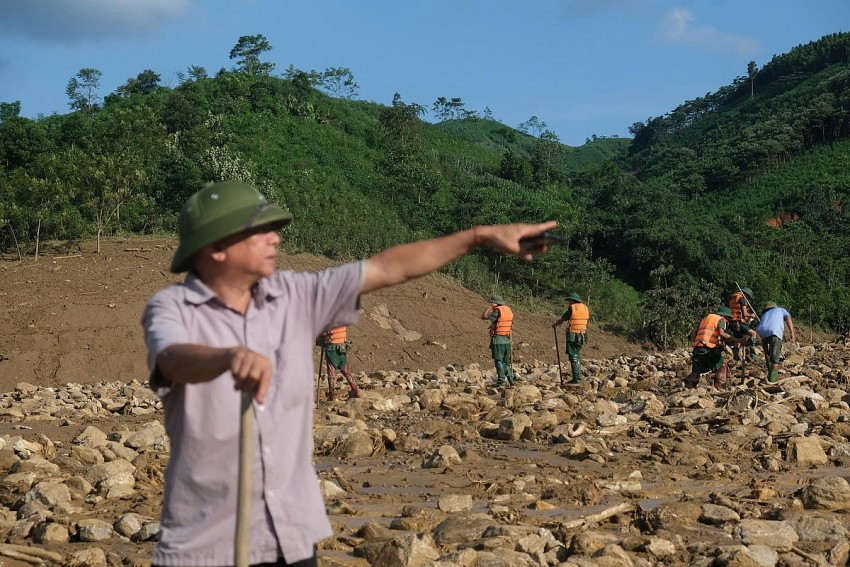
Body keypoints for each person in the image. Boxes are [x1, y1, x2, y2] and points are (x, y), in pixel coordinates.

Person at [141, 180, 556, 567]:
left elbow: (389, 267)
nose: (276, 238)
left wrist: (477, 237)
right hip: (205, 546)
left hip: (291, 538)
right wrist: (225, 358)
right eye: (260, 231)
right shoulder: (172, 307)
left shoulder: (296, 296)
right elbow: (174, 359)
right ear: (216, 247)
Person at [684, 306, 754, 389]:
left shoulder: (706, 319)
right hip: (707, 348)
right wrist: (737, 340)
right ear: (725, 316)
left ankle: (688, 387)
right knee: (722, 364)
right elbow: (722, 333)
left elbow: (694, 331)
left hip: (698, 348)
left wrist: (695, 341)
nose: (727, 321)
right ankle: (719, 386)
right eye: (728, 319)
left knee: (696, 370)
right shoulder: (720, 319)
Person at [551, 292, 589, 384]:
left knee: (573, 356)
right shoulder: (585, 308)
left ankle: (576, 378)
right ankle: (579, 376)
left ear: (573, 300)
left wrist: (555, 324)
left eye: (569, 301)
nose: (568, 302)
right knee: (577, 355)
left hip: (573, 335)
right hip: (582, 335)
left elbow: (563, 318)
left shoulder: (572, 308)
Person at [756, 301, 796, 384]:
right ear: (775, 306)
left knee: (767, 353)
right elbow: (788, 318)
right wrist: (792, 332)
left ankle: (769, 371)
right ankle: (772, 380)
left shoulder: (764, 314)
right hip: (774, 332)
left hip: (762, 333)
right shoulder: (781, 310)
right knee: (775, 359)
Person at [481, 294, 515, 388]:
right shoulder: (508, 311)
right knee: (506, 362)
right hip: (506, 340)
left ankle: (501, 381)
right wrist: (511, 341)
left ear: (495, 303)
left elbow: (483, 316)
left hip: (498, 340)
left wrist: (490, 307)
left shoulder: (497, 312)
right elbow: (510, 327)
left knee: (499, 361)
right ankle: (511, 379)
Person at [320, 325, 359, 400]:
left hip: (331, 349)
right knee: (347, 372)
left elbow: (324, 333)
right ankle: (356, 391)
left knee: (331, 374)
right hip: (342, 348)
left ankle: (332, 396)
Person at [729, 286, 758, 363]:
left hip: (733, 322)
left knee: (738, 339)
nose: (748, 299)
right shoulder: (741, 299)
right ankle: (752, 354)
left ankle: (736, 357)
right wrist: (751, 315)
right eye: (748, 297)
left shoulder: (734, 298)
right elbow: (745, 314)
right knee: (753, 333)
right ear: (746, 294)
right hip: (738, 322)